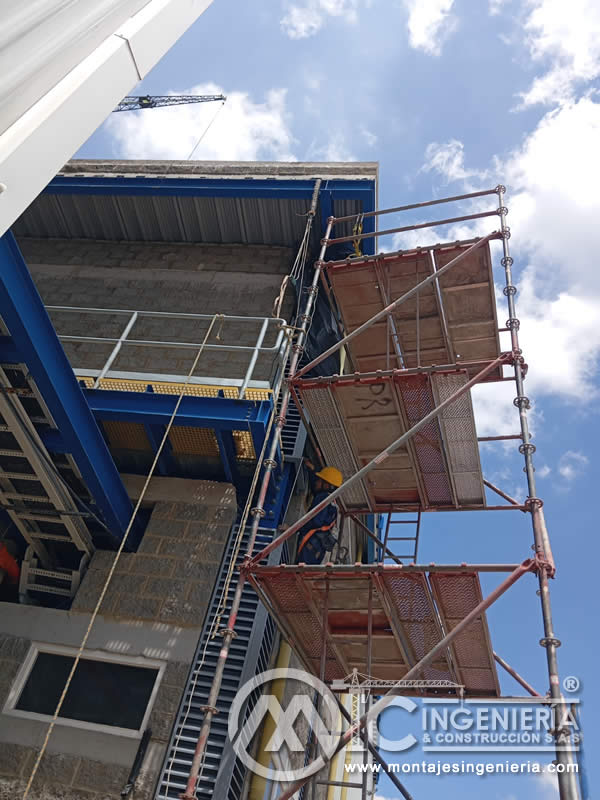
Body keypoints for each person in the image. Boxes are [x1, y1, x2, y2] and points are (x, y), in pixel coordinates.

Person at [295, 459, 343, 565]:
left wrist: (292, 529)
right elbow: (315, 487)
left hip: (310, 544)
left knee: (298, 570)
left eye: (319, 480)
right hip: (318, 547)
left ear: (326, 485)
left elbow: (315, 521)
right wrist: (312, 470)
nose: (316, 481)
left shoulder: (323, 497)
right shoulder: (331, 502)